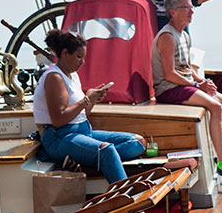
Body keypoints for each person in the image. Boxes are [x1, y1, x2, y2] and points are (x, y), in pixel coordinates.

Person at [151, 0, 222, 184]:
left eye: (191, 7)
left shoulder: (183, 35)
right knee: (216, 107)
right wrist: (196, 84)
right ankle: (221, 162)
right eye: (186, 7)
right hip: (169, 89)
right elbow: (169, 74)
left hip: (185, 84)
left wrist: (201, 82)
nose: (191, 11)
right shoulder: (168, 37)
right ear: (173, 12)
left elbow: (186, 67)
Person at [34, 29, 145, 183]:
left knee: (138, 142)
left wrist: (92, 99)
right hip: (59, 138)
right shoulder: (54, 77)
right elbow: (58, 120)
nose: (82, 62)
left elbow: (81, 114)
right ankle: (124, 195)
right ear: (65, 53)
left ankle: (89, 159)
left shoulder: (72, 75)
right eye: (79, 57)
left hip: (83, 132)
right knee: (106, 150)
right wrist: (86, 99)